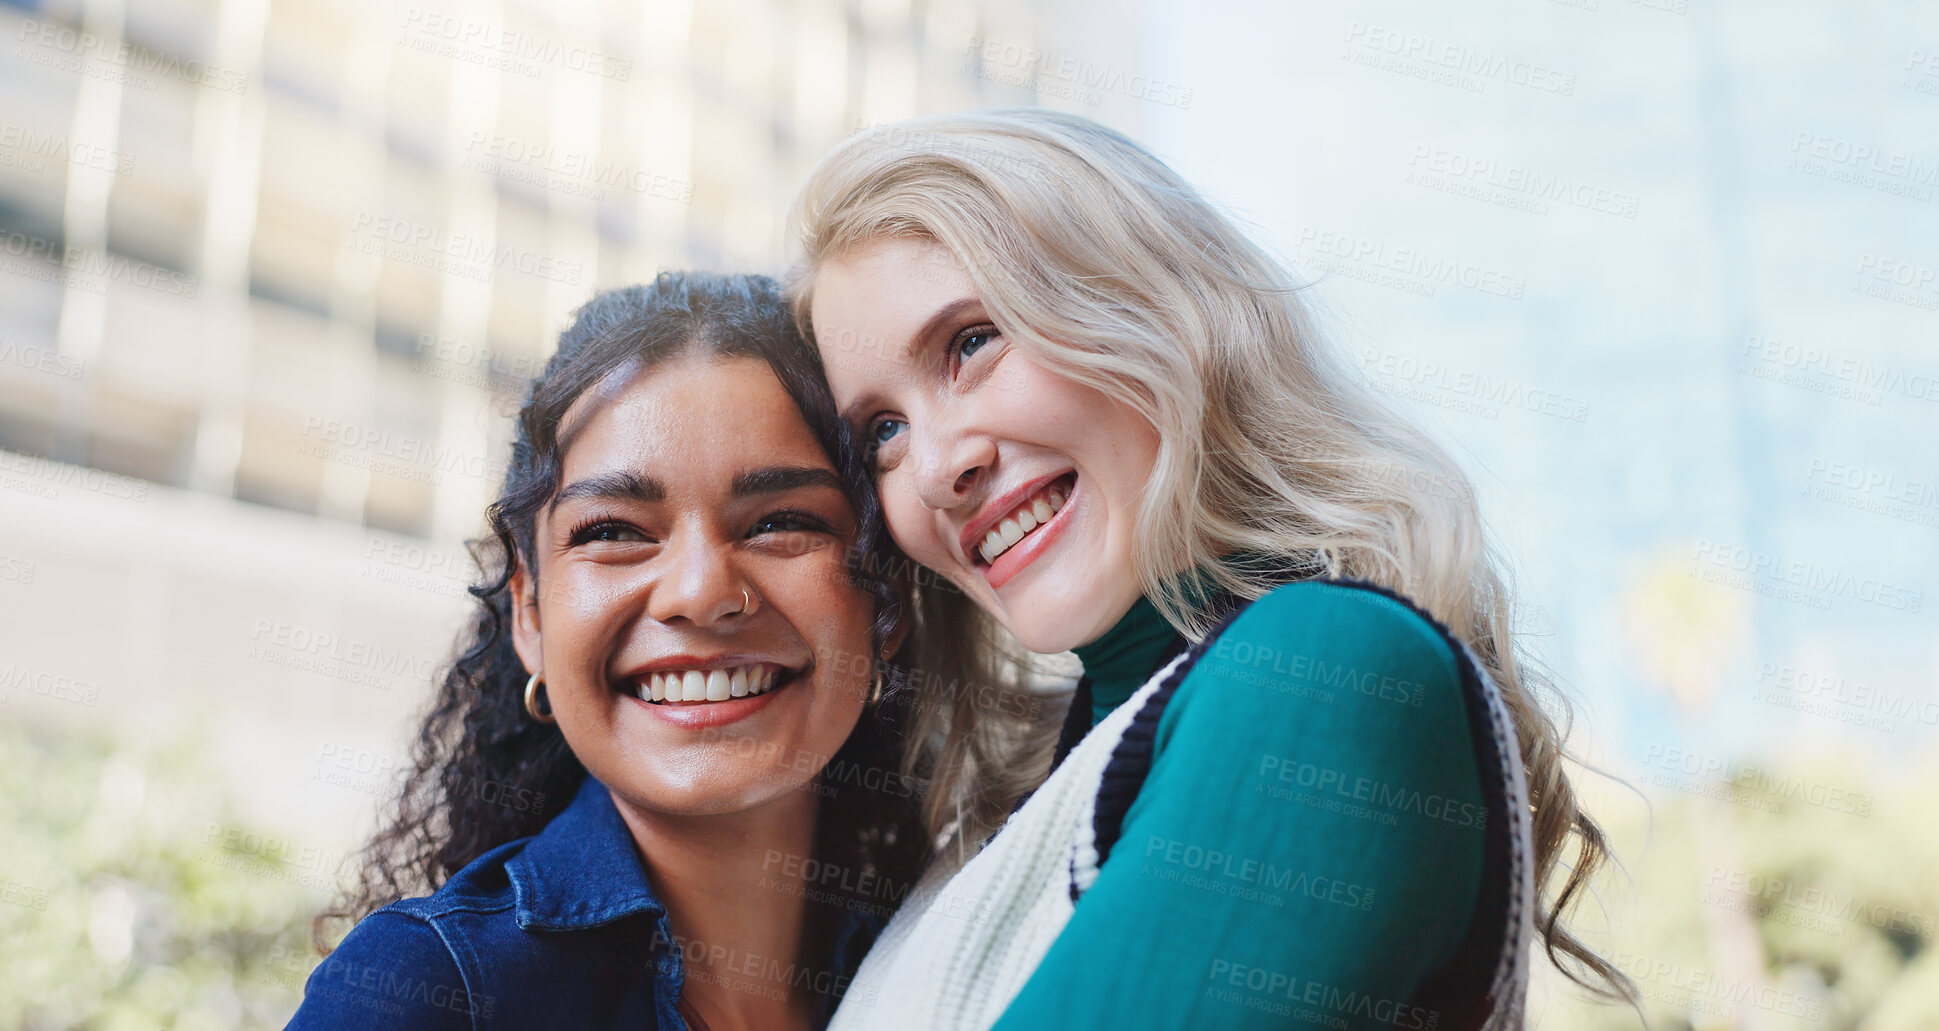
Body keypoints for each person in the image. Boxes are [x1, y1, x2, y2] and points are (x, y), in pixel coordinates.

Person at [787, 109, 1636, 1030]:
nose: (937, 467)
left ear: (1150, 308)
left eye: (972, 342)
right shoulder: (985, 834)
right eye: (881, 430)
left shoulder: (1330, 669)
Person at [287, 273, 927, 1031]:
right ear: (529, 613)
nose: (698, 590)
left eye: (780, 520)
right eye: (614, 531)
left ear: (884, 597)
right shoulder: (424, 991)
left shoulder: (948, 942)